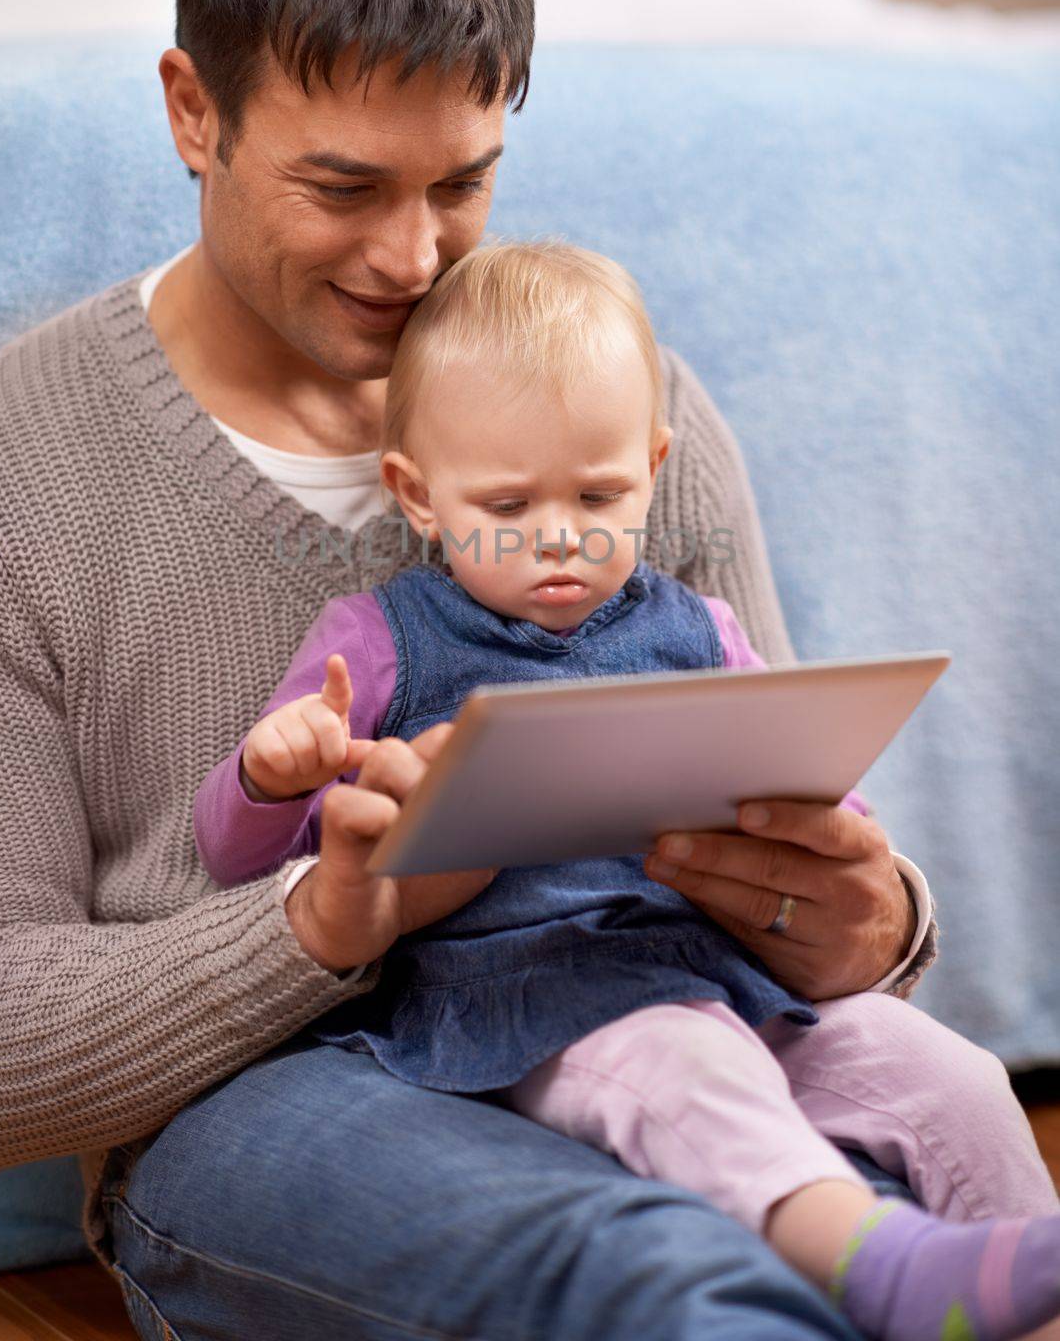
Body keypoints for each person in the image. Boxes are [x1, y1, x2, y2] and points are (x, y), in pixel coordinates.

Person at [0, 0, 963, 1341]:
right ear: (190, 112)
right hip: (272, 1114)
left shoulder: (627, 420)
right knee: (652, 1276)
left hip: (671, 1029)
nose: (415, 261)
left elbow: (817, 876)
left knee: (936, 1194)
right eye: (344, 189)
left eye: (464, 187)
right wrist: (319, 924)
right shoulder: (14, 465)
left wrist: (871, 929)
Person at [191, 239, 1060, 1341]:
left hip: (729, 978)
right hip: (518, 1007)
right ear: (416, 493)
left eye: (599, 493)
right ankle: (876, 1265)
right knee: (687, 1063)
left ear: (652, 466)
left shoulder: (701, 627)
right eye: (506, 504)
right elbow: (230, 857)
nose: (560, 533)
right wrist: (274, 774)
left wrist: (837, 829)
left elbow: (811, 801)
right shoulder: (381, 640)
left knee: (945, 1071)